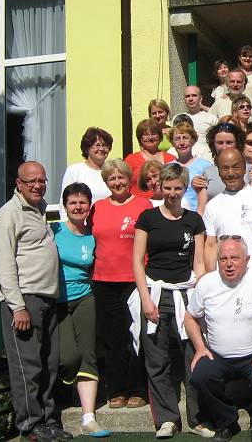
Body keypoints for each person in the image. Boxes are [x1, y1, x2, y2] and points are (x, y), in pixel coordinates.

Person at [0, 161, 73, 442]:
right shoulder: (7, 215)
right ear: (19, 183)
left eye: (42, 180)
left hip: (47, 297)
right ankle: (30, 424)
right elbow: (3, 266)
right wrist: (18, 307)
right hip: (25, 299)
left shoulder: (42, 210)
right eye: (31, 181)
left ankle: (49, 421)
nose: (38, 185)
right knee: (27, 367)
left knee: (49, 364)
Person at [132, 164, 213, 439]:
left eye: (177, 188)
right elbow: (137, 261)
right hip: (155, 292)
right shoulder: (148, 218)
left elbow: (199, 263)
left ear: (184, 188)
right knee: (157, 359)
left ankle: (197, 419)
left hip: (186, 293)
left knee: (194, 355)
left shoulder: (194, 220)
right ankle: (167, 419)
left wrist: (200, 298)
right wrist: (145, 299)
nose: (172, 193)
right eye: (167, 187)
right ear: (160, 187)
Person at [185, 237, 252, 442]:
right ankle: (226, 422)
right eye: (223, 259)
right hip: (218, 355)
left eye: (235, 258)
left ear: (247, 259)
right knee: (200, 375)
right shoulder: (207, 283)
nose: (229, 264)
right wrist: (200, 347)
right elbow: (190, 317)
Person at [89, 159, 151, 409]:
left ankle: (138, 389)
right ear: (106, 182)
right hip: (103, 280)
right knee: (112, 338)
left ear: (129, 179)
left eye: (121, 177)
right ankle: (116, 389)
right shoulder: (97, 207)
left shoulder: (143, 205)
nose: (117, 182)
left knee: (135, 336)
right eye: (112, 178)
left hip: (134, 280)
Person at [55, 183, 110, 437]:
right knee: (69, 357)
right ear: (65, 206)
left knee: (88, 354)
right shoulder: (54, 231)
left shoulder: (92, 235)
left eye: (83, 202)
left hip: (85, 297)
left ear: (89, 205)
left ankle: (89, 418)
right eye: (73, 202)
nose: (78, 207)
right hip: (57, 301)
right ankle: (66, 389)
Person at [202, 148, 252, 272]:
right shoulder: (212, 206)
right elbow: (210, 245)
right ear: (219, 172)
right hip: (225, 275)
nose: (230, 173)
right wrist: (211, 275)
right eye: (225, 168)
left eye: (235, 167)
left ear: (244, 168)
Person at [60, 127, 114, 218]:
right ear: (87, 148)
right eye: (97, 145)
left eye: (105, 145)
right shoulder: (74, 170)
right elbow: (64, 203)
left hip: (109, 222)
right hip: (82, 224)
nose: (101, 148)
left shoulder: (113, 171)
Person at [125, 118, 176, 197]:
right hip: (139, 202)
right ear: (140, 138)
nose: (150, 137)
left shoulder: (171, 159)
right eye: (145, 135)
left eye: (154, 133)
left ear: (160, 136)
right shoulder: (131, 160)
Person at [169, 121, 211, 211]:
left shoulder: (206, 166)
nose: (182, 143)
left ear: (193, 141)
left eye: (185, 138)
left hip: (198, 214)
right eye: (177, 139)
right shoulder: (168, 167)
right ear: (172, 142)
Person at [181, 85, 217, 162]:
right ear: (184, 99)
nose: (190, 99)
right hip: (185, 161)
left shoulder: (211, 118)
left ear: (200, 99)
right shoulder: (179, 118)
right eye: (187, 96)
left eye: (194, 95)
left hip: (207, 160)